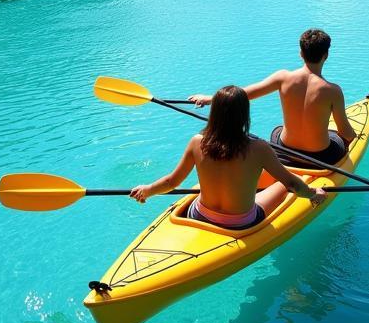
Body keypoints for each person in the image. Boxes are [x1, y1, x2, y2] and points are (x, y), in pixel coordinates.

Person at [129, 85, 325, 229]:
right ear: (244, 115)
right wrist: (314, 194)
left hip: (198, 215)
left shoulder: (197, 142)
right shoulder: (259, 148)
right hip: (241, 223)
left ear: (214, 113)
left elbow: (172, 181)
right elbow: (292, 184)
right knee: (283, 184)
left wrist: (147, 190)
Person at [188, 28, 355, 170]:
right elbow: (345, 132)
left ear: (300, 53)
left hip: (285, 150)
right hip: (320, 158)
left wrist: (210, 98)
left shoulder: (282, 78)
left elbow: (244, 94)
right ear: (326, 55)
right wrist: (353, 139)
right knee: (336, 137)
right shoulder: (333, 91)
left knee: (277, 130)